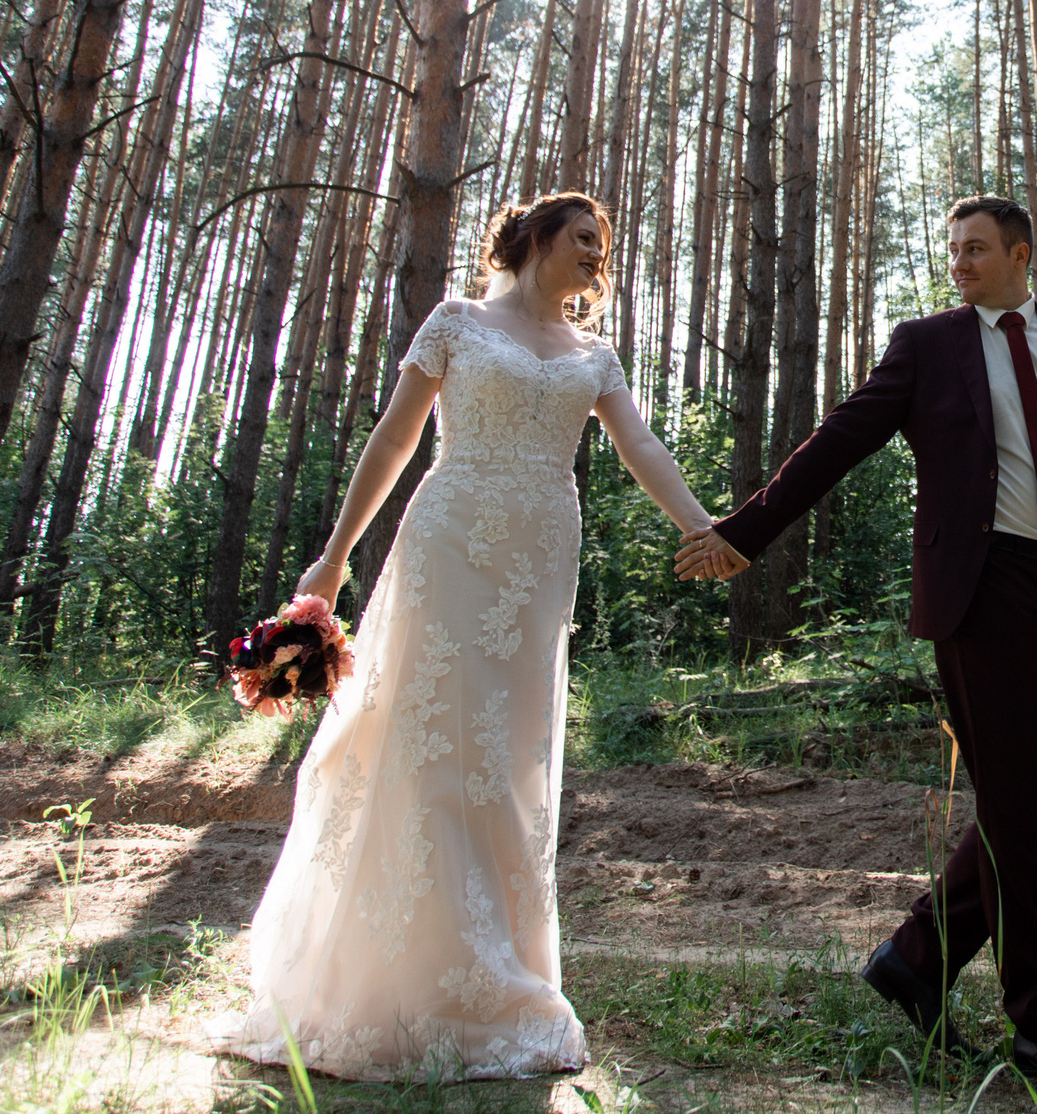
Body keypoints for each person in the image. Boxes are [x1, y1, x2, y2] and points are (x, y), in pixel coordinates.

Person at [214, 191, 715, 1081]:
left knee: (508, 760)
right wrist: (333, 559)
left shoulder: (594, 355)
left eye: (605, 242)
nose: (598, 252)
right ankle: (396, 982)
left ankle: (499, 976)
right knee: (431, 743)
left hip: (537, 562)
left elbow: (640, 445)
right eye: (584, 237)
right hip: (449, 538)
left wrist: (701, 525)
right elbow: (396, 438)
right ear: (537, 240)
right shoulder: (454, 320)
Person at [676, 194, 1037, 1095]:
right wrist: (745, 532)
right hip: (979, 592)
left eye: (977, 249)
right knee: (1020, 801)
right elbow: (838, 442)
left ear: (1022, 254)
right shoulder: (928, 345)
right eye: (954, 251)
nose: (960, 264)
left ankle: (914, 954)